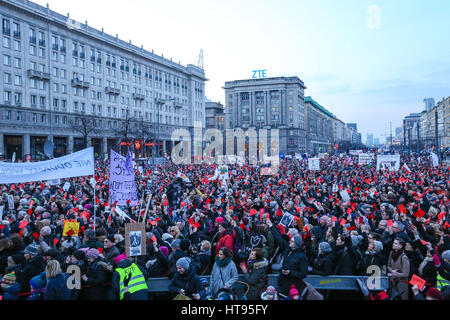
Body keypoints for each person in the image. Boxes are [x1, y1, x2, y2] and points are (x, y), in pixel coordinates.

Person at [267, 219, 308, 296]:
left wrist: (290, 272)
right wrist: (271, 226)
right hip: (283, 282)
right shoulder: (288, 249)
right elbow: (279, 238)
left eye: (292, 241)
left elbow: (303, 274)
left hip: (293, 286)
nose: (290, 241)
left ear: (296, 244)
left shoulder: (302, 257)